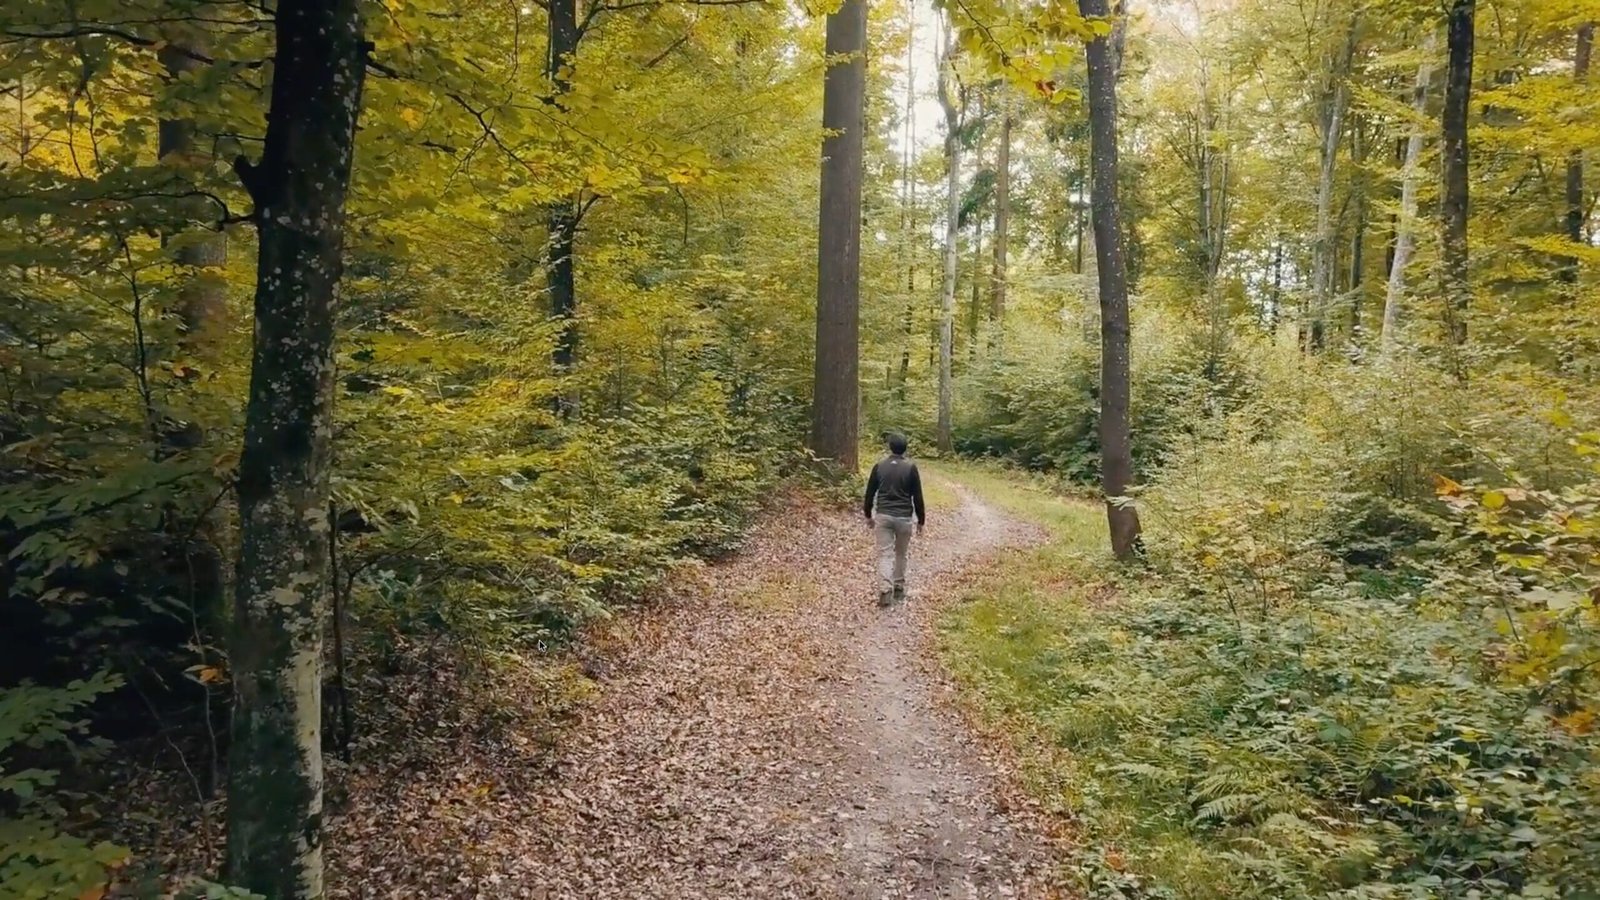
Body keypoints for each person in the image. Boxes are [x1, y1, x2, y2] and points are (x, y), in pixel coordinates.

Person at [862, 432, 926, 607]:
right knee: (901, 553)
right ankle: (898, 586)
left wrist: (868, 515)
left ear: (890, 447)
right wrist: (921, 520)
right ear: (905, 448)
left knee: (885, 554)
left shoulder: (879, 466)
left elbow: (869, 493)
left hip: (883, 515)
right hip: (904, 517)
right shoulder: (911, 468)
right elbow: (917, 497)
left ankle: (884, 589)